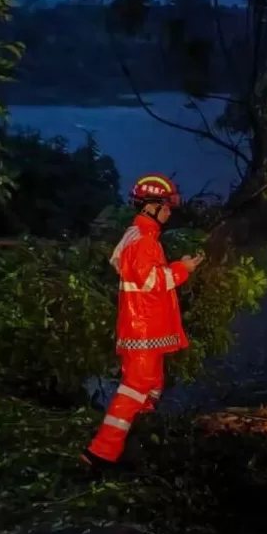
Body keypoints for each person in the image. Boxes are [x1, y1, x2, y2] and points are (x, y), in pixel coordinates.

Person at [82, 173, 204, 468]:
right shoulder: (143, 241)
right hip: (143, 331)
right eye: (166, 206)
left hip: (148, 330)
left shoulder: (139, 237)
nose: (169, 212)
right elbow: (151, 281)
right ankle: (100, 454)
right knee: (134, 390)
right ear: (150, 206)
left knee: (151, 388)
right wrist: (183, 268)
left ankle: (139, 441)